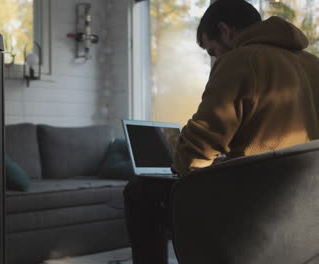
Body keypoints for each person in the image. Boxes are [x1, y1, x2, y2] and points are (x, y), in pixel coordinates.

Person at [123, 0, 319, 263]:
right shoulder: (312, 64)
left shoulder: (240, 60)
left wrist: (184, 162)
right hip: (305, 207)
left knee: (139, 193)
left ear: (226, 31)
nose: (215, 58)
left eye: (212, 50)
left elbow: (194, 154)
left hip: (253, 203)